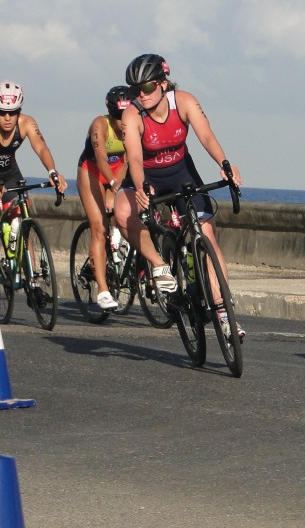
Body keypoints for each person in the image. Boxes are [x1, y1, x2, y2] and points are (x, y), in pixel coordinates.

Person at [113, 53, 245, 340]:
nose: (141, 95)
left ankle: (223, 311)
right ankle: (159, 265)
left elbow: (206, 136)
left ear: (163, 84)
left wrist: (224, 164)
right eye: (136, 90)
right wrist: (141, 187)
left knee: (207, 237)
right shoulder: (132, 115)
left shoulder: (184, 102)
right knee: (121, 213)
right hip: (147, 176)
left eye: (147, 87)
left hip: (181, 173)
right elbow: (134, 158)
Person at [0, 81, 68, 265]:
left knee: (21, 221)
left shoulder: (27, 123)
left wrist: (53, 172)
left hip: (9, 174)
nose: (7, 118)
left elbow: (41, 148)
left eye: (12, 112)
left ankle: (32, 275)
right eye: (1, 112)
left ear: (19, 111)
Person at [76, 85, 132, 311]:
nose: (122, 122)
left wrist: (117, 187)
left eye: (125, 116)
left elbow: (128, 160)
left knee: (122, 216)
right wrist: (112, 183)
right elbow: (100, 158)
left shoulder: (133, 125)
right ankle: (102, 290)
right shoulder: (100, 125)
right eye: (118, 116)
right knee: (99, 228)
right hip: (91, 171)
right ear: (110, 113)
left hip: (117, 169)